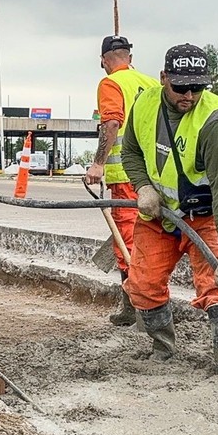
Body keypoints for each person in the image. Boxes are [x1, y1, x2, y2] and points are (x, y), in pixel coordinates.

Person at [121, 44, 218, 371]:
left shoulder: (214, 122)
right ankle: (163, 349)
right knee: (142, 286)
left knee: (216, 288)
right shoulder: (145, 104)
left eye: (198, 87)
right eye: (181, 87)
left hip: (204, 218)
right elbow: (130, 151)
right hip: (159, 216)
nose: (189, 95)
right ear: (163, 79)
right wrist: (143, 186)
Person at [85, 35, 159, 326]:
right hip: (154, 175)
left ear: (104, 60)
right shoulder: (151, 83)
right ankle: (145, 304)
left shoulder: (110, 83)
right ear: (129, 56)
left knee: (127, 241)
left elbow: (113, 122)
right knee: (153, 238)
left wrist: (98, 163)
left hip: (127, 177)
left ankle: (139, 309)